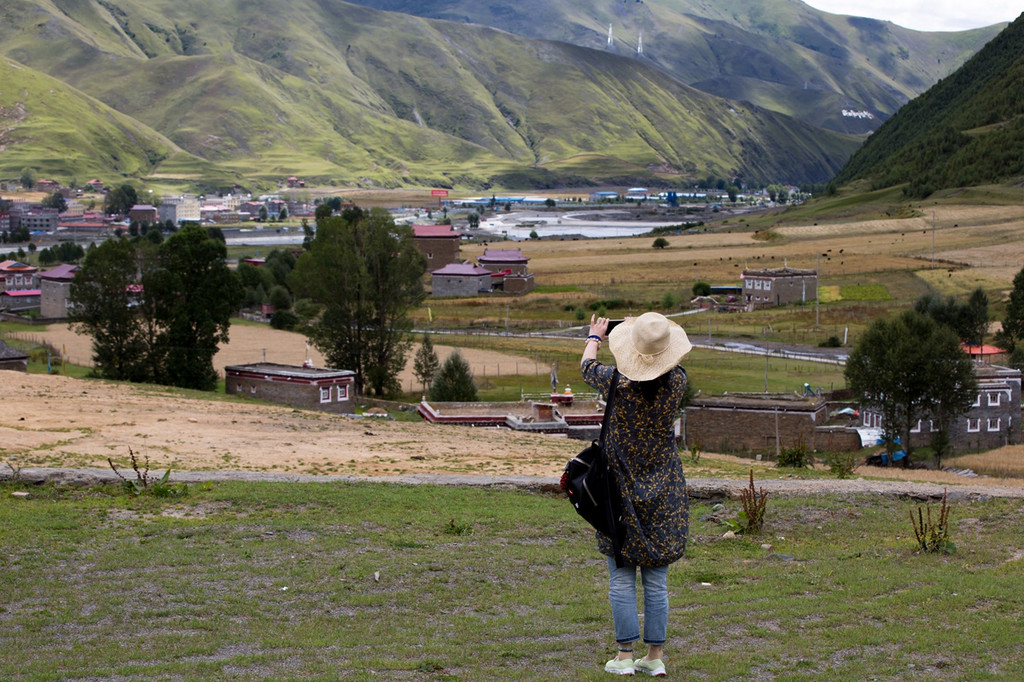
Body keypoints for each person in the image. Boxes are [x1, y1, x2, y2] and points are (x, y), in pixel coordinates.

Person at [580, 312, 692, 677]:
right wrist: (649, 329)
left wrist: (596, 335)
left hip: (618, 492)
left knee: (621, 576)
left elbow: (587, 366)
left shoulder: (615, 384)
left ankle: (625, 655)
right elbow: (671, 357)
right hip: (664, 492)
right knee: (656, 581)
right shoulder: (677, 382)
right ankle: (654, 657)